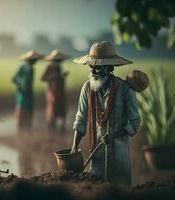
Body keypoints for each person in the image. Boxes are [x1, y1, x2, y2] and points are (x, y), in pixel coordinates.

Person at [70, 41, 141, 186]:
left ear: (109, 68)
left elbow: (135, 122)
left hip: (119, 155)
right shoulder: (87, 88)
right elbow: (81, 118)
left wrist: (115, 135)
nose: (93, 72)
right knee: (97, 190)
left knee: (121, 193)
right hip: (97, 155)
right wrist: (74, 146)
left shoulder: (125, 90)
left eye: (99, 68)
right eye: (92, 67)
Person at [12, 51, 43, 131]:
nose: (36, 61)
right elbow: (15, 79)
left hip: (25, 93)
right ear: (31, 60)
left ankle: (24, 133)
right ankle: (23, 133)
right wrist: (21, 84)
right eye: (35, 60)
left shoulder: (28, 68)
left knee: (25, 113)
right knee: (24, 113)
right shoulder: (26, 68)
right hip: (24, 93)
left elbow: (15, 79)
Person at [41, 50, 69, 131]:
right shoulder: (49, 67)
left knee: (60, 109)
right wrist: (55, 76)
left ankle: (60, 128)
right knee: (53, 109)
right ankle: (51, 127)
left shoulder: (58, 66)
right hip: (52, 92)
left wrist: (61, 76)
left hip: (60, 91)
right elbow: (43, 78)